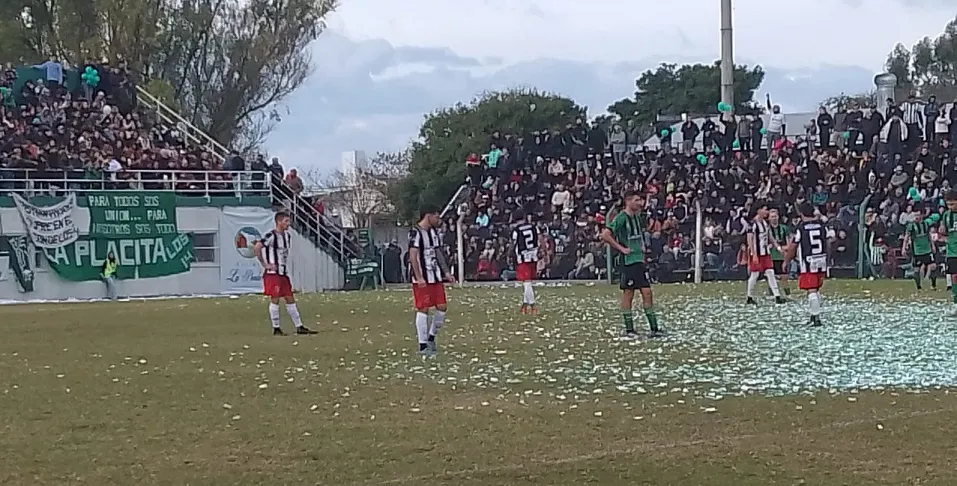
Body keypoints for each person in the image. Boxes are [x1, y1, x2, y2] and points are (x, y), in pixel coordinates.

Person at [600, 190, 663, 339]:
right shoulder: (621, 218)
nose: (640, 203)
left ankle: (654, 329)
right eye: (637, 200)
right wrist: (622, 249)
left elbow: (638, 234)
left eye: (641, 200)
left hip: (638, 260)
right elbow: (605, 235)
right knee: (629, 293)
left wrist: (641, 245)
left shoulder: (636, 217)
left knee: (647, 293)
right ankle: (630, 330)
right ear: (628, 201)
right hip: (628, 262)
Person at [255, 210, 317, 336]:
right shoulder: (271, 236)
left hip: (283, 273)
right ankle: (276, 328)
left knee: (290, 298)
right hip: (273, 274)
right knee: (275, 299)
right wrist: (264, 264)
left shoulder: (287, 236)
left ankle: (299, 326)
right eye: (286, 221)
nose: (288, 224)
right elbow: (257, 246)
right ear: (279, 222)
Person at [408, 204, 455, 356]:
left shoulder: (433, 232)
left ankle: (431, 337)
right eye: (436, 216)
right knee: (423, 308)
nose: (438, 219)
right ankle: (423, 346)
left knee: (442, 307)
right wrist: (419, 277)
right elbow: (413, 255)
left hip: (435, 276)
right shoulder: (415, 233)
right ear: (428, 216)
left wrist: (446, 272)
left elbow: (438, 252)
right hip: (422, 278)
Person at [786, 201, 827, 327]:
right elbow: (829, 239)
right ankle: (814, 315)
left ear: (801, 213)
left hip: (808, 261)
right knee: (816, 289)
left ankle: (816, 318)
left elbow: (793, 246)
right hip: (821, 259)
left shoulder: (802, 228)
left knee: (811, 290)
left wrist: (787, 260)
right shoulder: (821, 225)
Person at [746, 203, 786, 305]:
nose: (767, 212)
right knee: (754, 275)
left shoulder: (764, 223)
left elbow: (770, 237)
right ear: (759, 210)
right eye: (765, 209)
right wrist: (753, 254)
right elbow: (749, 239)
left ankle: (777, 296)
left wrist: (778, 247)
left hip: (765, 253)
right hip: (757, 254)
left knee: (770, 273)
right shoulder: (752, 224)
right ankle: (749, 297)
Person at [510, 210, 539, 314]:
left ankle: (533, 306)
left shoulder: (516, 231)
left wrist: (510, 254)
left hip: (523, 258)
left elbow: (514, 244)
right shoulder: (533, 227)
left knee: (527, 283)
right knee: (528, 281)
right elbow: (539, 239)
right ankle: (524, 305)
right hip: (533, 256)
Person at [903, 206, 940, 291]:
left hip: (927, 250)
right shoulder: (911, 226)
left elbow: (929, 236)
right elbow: (906, 237)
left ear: (921, 216)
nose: (916, 217)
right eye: (915, 215)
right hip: (917, 251)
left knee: (933, 266)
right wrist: (904, 248)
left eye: (918, 215)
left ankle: (933, 285)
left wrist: (932, 245)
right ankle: (919, 287)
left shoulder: (926, 224)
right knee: (916, 270)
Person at [940, 191, 957, 316]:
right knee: (954, 277)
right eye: (948, 204)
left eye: (953, 204)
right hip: (952, 251)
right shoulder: (946, 215)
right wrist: (942, 232)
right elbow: (945, 232)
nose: (950, 207)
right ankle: (956, 304)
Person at [768, 209, 791, 296]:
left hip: (781, 256)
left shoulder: (784, 228)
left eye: (775, 216)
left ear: (778, 217)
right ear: (769, 218)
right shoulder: (766, 229)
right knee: (771, 277)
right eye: (772, 217)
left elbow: (788, 243)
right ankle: (773, 294)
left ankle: (787, 294)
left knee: (784, 277)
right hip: (771, 256)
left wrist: (783, 248)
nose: (774, 218)